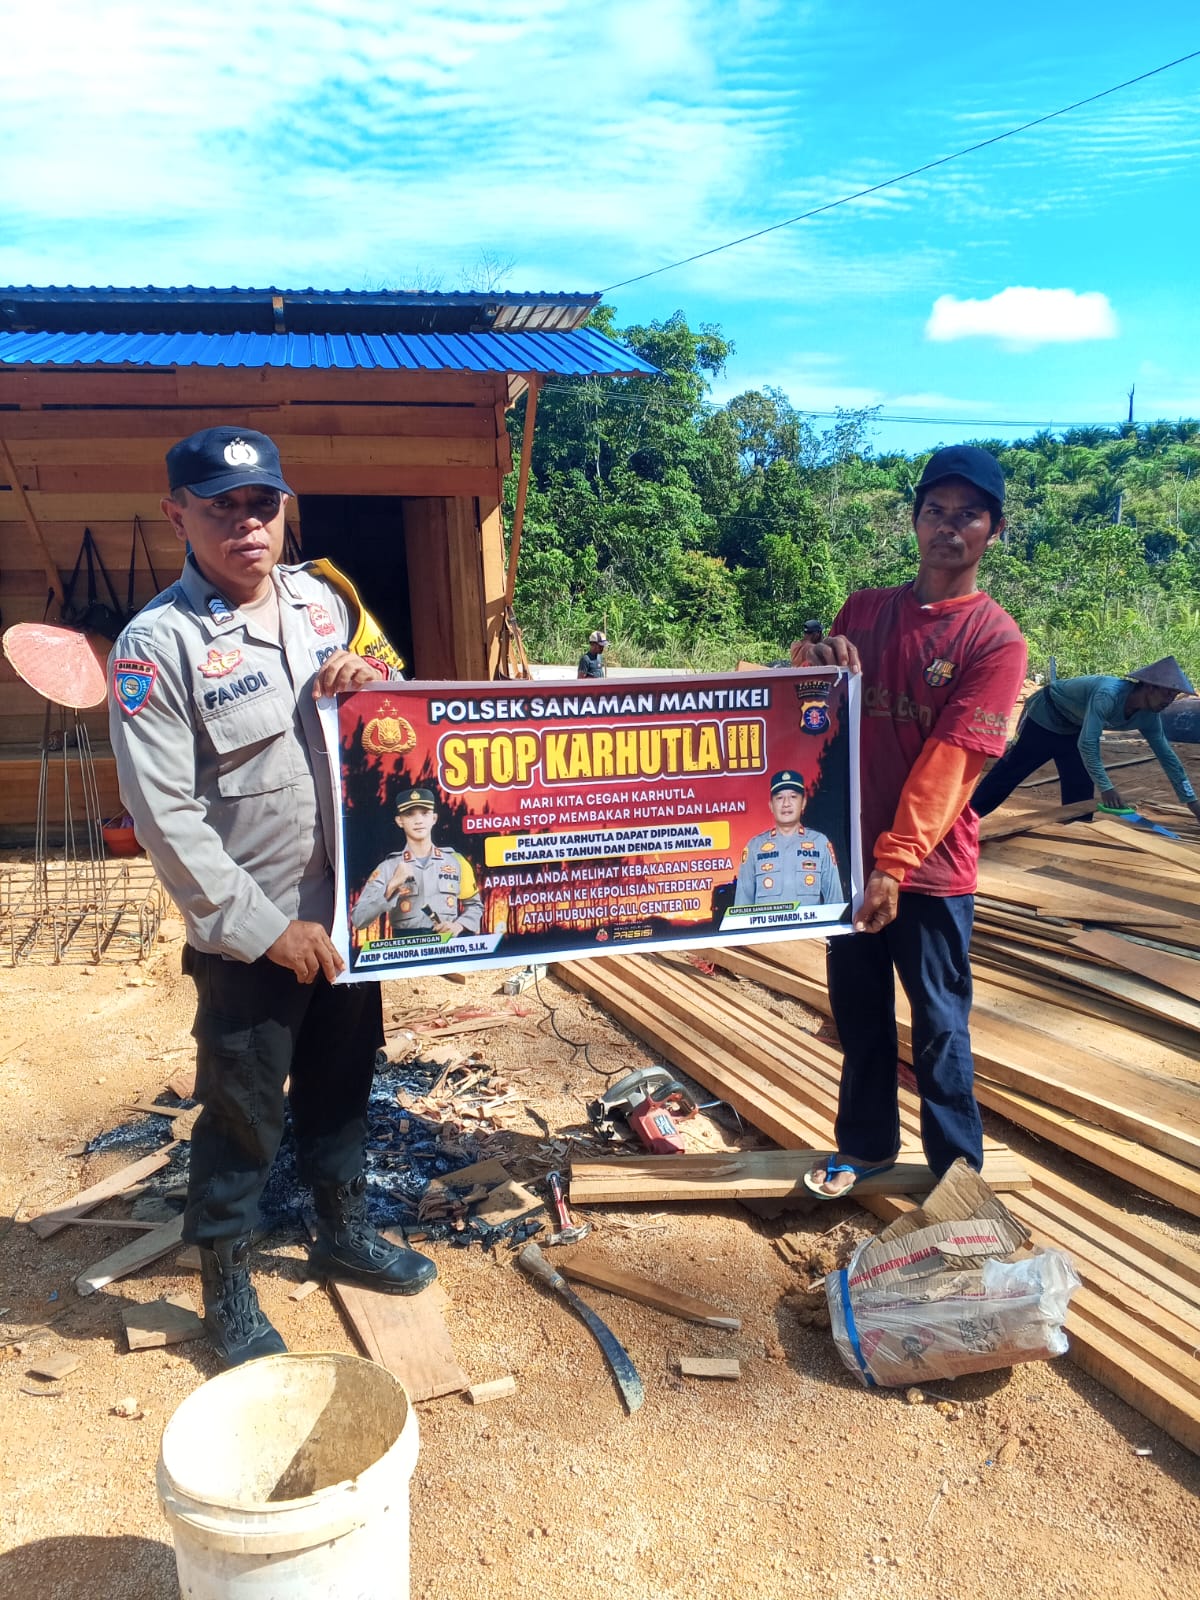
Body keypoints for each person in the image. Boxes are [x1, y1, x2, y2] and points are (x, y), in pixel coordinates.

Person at [108, 425, 437, 1369]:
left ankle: (342, 1232)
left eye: (262, 504)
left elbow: (404, 706)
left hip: (350, 915)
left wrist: (373, 683)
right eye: (222, 507)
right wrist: (264, 930)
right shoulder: (156, 645)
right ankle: (226, 1283)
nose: (247, 524)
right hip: (252, 935)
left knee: (343, 1086)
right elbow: (163, 813)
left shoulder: (327, 602)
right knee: (242, 1110)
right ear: (179, 515)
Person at [790, 445, 1027, 1200]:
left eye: (968, 516)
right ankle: (865, 1148)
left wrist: (893, 863)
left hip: (927, 872)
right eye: (934, 511)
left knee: (939, 1029)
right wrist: (806, 661)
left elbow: (954, 760)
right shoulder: (864, 609)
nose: (947, 528)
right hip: (849, 858)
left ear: (995, 530)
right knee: (858, 1019)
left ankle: (958, 1171)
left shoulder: (995, 640)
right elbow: (812, 710)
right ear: (915, 520)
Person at [971, 659, 1200, 821]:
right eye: (1167, 693)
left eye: (1175, 695)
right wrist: (1107, 788)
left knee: (1080, 790)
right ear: (1149, 686)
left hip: (1074, 728)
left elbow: (1168, 757)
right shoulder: (1108, 695)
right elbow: (1088, 744)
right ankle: (965, 821)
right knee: (1009, 773)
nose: (1171, 700)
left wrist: (1192, 802)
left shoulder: (1149, 717)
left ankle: (1075, 834)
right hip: (1044, 717)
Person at [352, 788, 484, 937]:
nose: (418, 820)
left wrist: (458, 925)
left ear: (434, 818)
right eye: (409, 814)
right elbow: (358, 919)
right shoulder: (388, 867)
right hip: (405, 951)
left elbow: (474, 905)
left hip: (447, 948)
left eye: (424, 813)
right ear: (399, 821)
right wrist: (391, 886)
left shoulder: (456, 862)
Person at [733, 770, 841, 907]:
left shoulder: (820, 843)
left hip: (809, 928)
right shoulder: (754, 847)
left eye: (793, 797)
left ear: (803, 803)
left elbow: (835, 902)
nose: (786, 804)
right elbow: (742, 905)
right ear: (771, 806)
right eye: (779, 798)